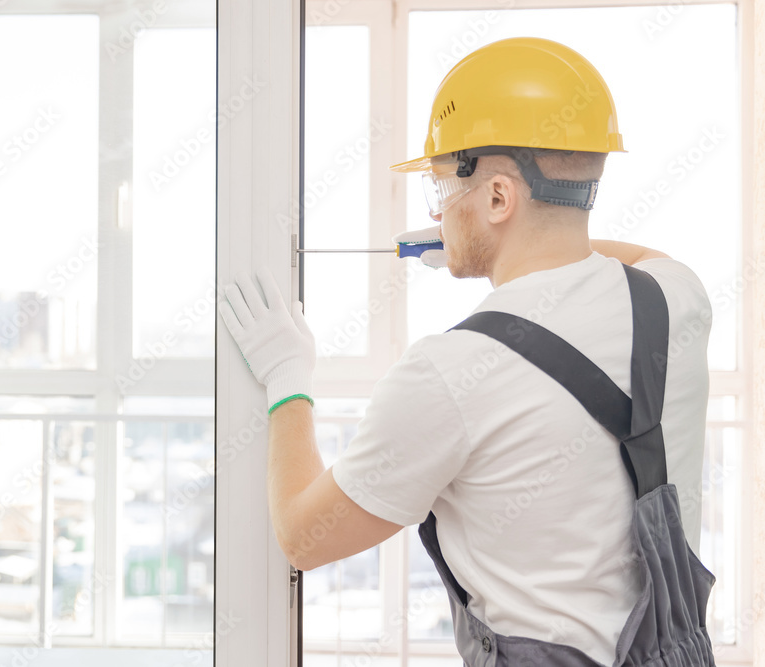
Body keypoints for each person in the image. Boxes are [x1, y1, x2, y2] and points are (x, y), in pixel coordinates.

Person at [219, 37, 714, 665]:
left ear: (500, 197)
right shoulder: (677, 298)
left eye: (440, 190)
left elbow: (302, 536)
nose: (438, 207)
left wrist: (288, 379)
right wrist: (485, 236)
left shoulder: (448, 372)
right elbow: (633, 255)